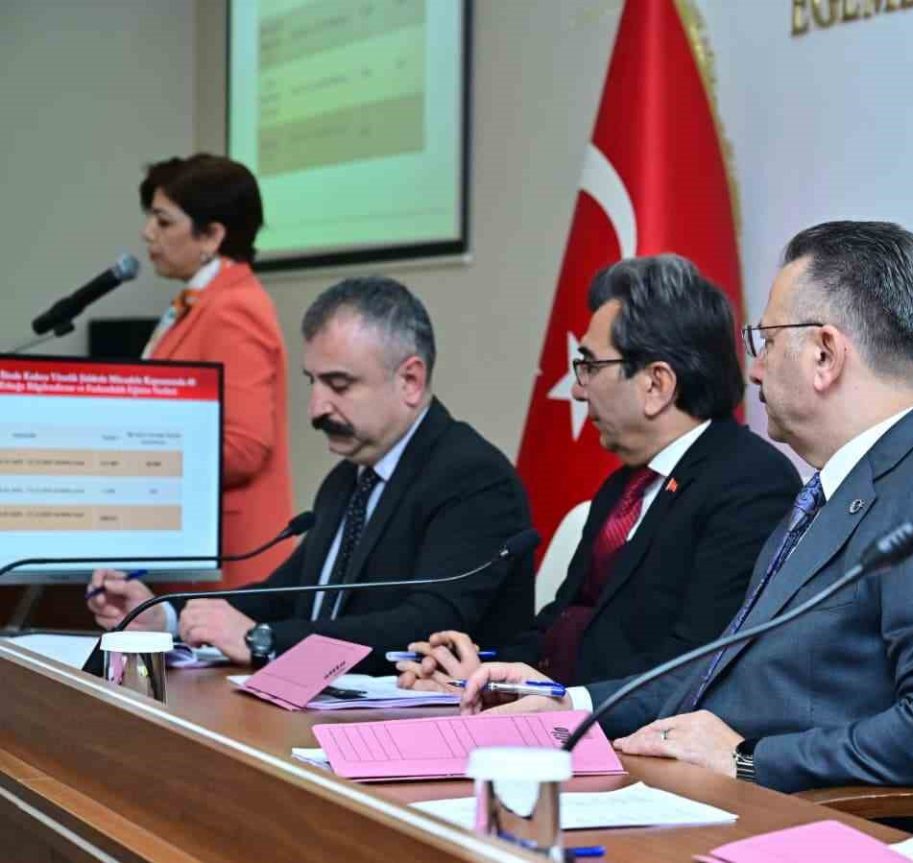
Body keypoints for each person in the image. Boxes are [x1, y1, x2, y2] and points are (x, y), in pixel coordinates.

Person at [460, 221, 913, 794]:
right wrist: (570, 705)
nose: (754, 369)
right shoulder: (831, 491)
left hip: (818, 821)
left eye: (766, 341)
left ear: (824, 354)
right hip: (714, 796)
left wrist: (746, 760)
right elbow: (717, 676)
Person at [87, 277, 534, 674]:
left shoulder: (473, 479)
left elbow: (426, 625)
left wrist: (263, 640)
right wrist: (165, 614)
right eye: (312, 383)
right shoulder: (349, 478)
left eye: (339, 385)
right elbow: (288, 594)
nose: (316, 408)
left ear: (410, 381)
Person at [396, 255, 800, 690]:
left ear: (656, 384)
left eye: (590, 366)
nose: (576, 388)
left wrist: (557, 699)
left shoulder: (750, 484)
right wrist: (477, 675)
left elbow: (694, 666)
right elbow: (560, 626)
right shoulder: (624, 487)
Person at [137, 154, 293, 588]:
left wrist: (137, 462)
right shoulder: (201, 302)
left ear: (212, 235)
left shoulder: (232, 309)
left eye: (163, 222)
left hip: (230, 556)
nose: (148, 232)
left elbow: (244, 447)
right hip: (194, 546)